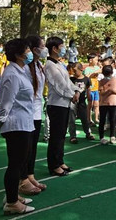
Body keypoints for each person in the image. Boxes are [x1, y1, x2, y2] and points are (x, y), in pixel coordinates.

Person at [0, 38, 35, 215]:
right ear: (18, 55)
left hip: (24, 122)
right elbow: (6, 102)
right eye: (27, 50)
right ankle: (12, 203)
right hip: (15, 124)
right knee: (15, 165)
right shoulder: (12, 74)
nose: (29, 52)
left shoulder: (21, 70)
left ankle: (13, 196)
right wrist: (0, 120)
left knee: (19, 163)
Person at [44, 37, 79, 176]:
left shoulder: (58, 64)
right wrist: (72, 94)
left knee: (61, 135)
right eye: (62, 46)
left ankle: (60, 161)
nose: (64, 49)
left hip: (64, 103)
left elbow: (68, 82)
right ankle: (53, 165)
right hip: (56, 104)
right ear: (54, 48)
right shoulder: (49, 65)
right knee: (56, 136)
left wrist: (76, 90)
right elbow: (59, 85)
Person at [19, 35, 48, 196]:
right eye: (41, 46)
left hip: (36, 111)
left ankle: (30, 175)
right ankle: (22, 179)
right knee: (25, 148)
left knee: (33, 147)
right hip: (27, 112)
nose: (44, 49)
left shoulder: (37, 65)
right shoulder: (24, 68)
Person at [69, 63, 94, 143]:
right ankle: (72, 136)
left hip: (82, 101)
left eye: (75, 70)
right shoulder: (71, 79)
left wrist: (89, 97)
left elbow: (88, 88)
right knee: (72, 119)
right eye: (72, 70)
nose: (73, 72)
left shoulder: (86, 79)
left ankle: (88, 133)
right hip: (73, 102)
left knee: (84, 118)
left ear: (81, 70)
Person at [98, 64, 116, 145]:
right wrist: (107, 91)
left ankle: (112, 136)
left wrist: (114, 91)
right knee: (102, 120)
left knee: (113, 120)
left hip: (113, 103)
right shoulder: (101, 81)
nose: (108, 76)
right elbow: (101, 92)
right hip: (103, 103)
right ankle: (101, 137)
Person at [84, 54, 101, 126]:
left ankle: (96, 118)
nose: (97, 61)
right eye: (96, 60)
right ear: (90, 60)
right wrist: (93, 73)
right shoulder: (87, 69)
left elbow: (101, 72)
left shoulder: (97, 67)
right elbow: (86, 77)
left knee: (96, 104)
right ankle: (89, 119)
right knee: (90, 104)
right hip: (90, 89)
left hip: (96, 88)